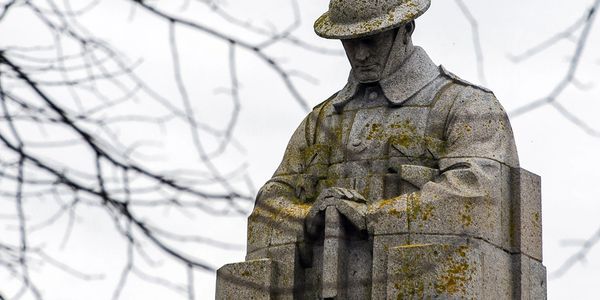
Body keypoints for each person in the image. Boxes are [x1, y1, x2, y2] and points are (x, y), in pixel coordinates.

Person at [244, 0, 521, 297]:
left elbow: (477, 198)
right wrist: (309, 216)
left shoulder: (467, 106)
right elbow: (268, 205)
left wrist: (373, 216)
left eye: (370, 40)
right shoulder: (320, 120)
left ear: (405, 29)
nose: (360, 55)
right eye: (350, 43)